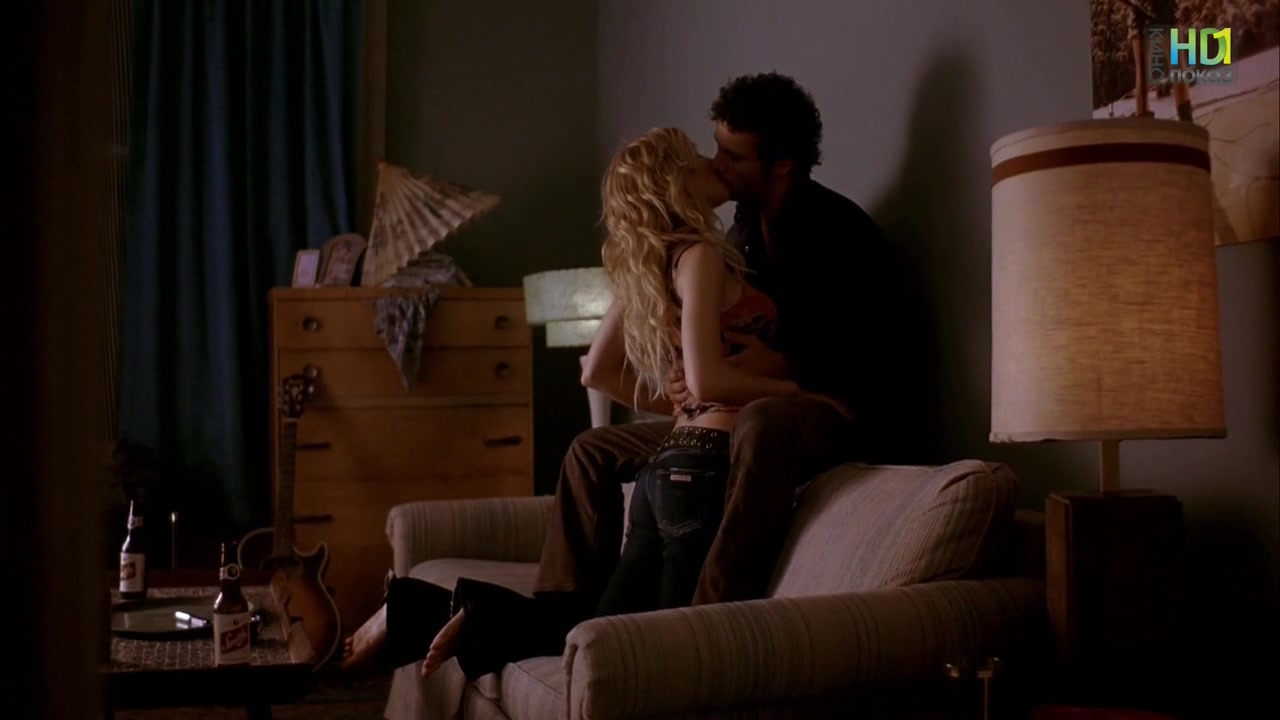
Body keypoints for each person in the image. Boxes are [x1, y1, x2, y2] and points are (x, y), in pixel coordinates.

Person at [341, 124, 844, 679]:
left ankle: (418, 609)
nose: (714, 165)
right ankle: (436, 611)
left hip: (664, 475)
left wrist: (679, 406)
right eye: (700, 159)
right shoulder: (701, 254)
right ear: (675, 183)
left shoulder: (652, 265)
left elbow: (596, 371)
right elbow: (707, 381)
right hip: (701, 471)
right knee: (662, 648)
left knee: (594, 633)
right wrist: (798, 392)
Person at [536, 71, 900, 615]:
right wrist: (683, 391)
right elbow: (713, 344)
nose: (716, 164)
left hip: (827, 404)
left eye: (732, 156)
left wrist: (783, 369)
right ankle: (562, 608)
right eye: (714, 150)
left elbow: (867, 352)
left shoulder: (838, 232)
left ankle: (712, 612)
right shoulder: (738, 233)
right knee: (591, 450)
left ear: (781, 163)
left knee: (759, 422)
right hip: (735, 404)